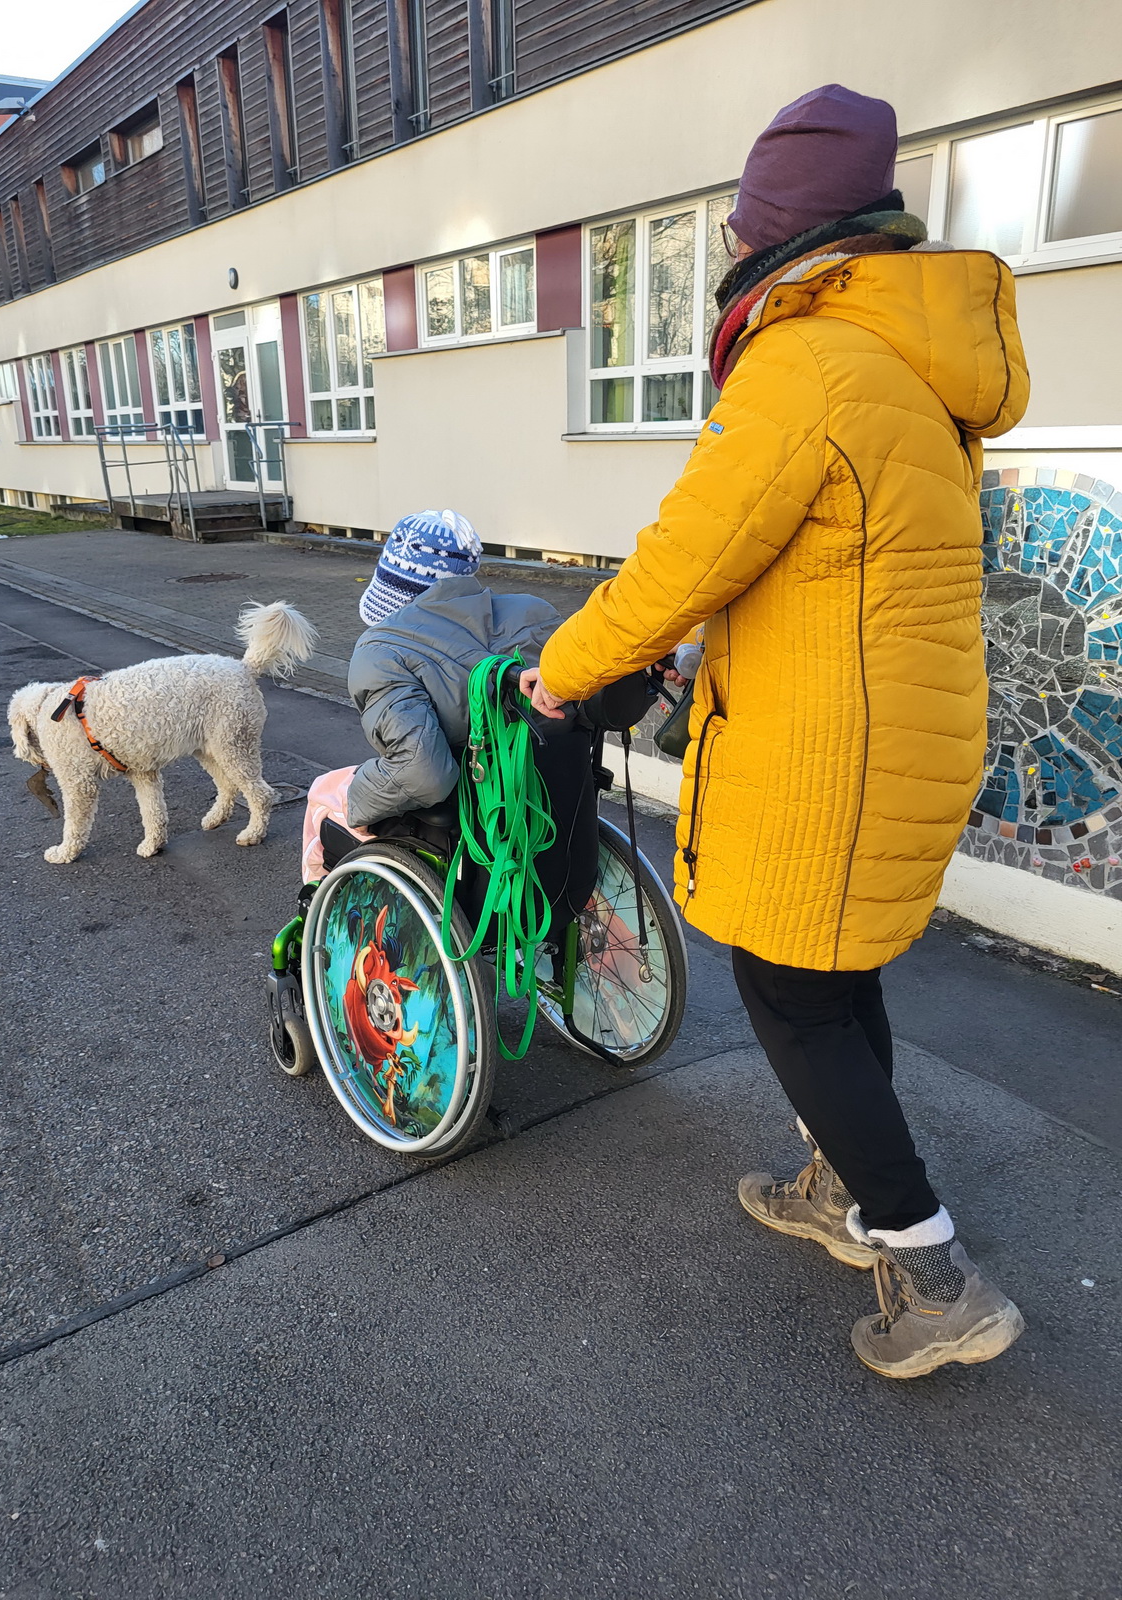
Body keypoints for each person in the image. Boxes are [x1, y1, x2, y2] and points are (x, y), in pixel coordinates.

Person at [521, 83, 1030, 1380]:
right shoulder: (902, 366)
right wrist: (712, 651)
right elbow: (824, 569)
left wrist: (563, 671)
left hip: (831, 759)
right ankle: (843, 1191)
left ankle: (933, 1273)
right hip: (886, 738)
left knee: (791, 994)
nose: (732, 249)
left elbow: (684, 556)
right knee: (833, 979)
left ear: (779, 235)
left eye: (739, 228)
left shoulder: (808, 362)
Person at [301, 510, 597, 925]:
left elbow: (425, 774)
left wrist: (357, 802)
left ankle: (323, 921)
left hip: (470, 841)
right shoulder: (536, 613)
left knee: (326, 792)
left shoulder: (383, 653)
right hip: (558, 842)